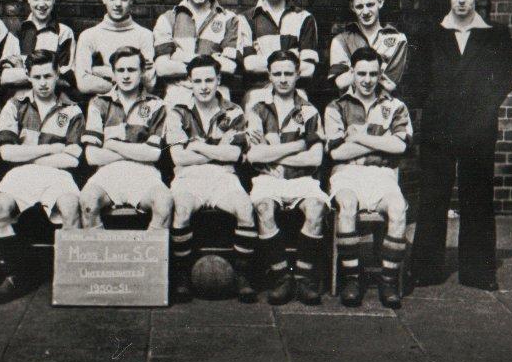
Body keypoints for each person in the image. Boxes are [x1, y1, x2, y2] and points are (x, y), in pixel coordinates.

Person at [411, 0, 512, 291]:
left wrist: (478, 115)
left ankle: (479, 271)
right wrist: (437, 107)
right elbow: (417, 81)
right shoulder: (431, 33)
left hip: (478, 130)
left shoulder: (495, 34)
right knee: (432, 197)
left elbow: (503, 82)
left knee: (478, 198)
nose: (461, 1)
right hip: (438, 130)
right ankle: (426, 269)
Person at [0, 50, 85, 304]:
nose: (43, 82)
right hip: (20, 174)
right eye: (37, 76)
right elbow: (7, 152)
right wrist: (52, 148)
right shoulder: (15, 105)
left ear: (57, 76)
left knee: (71, 207)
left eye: (48, 76)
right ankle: (15, 275)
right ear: (29, 77)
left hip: (58, 174)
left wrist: (28, 154)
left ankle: (71, 282)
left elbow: (73, 158)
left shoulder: (73, 110)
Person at [324, 47, 413, 309]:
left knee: (397, 208)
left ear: (380, 74)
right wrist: (380, 142)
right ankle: (351, 278)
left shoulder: (395, 106)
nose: (367, 80)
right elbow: (337, 152)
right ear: (351, 73)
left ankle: (388, 281)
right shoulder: (336, 107)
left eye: (373, 74)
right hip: (346, 173)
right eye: (361, 73)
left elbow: (400, 146)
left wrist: (359, 137)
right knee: (348, 205)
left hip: (383, 174)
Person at [165, 55, 258, 303]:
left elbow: (234, 155)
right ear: (189, 83)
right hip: (188, 177)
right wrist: (216, 150)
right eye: (198, 81)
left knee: (245, 208)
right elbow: (178, 159)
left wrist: (196, 145)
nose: (204, 86)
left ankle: (242, 275)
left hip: (223, 176)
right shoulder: (178, 112)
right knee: (181, 210)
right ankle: (183, 277)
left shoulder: (233, 111)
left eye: (209, 80)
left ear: (218, 80)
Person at [246, 50, 329, 305]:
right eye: (278, 73)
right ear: (269, 75)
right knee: (263, 208)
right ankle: (281, 276)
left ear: (297, 75)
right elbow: (254, 157)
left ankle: (304, 277)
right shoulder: (257, 109)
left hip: (301, 179)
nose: (283, 79)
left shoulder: (309, 111)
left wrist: (273, 152)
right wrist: (298, 145)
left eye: (288, 74)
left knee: (316, 208)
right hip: (267, 179)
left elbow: (315, 159)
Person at [80, 46, 173, 230]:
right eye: (120, 70)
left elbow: (153, 154)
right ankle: (98, 257)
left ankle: (150, 256)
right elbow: (92, 156)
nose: (126, 75)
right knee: (87, 202)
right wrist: (136, 150)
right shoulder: (99, 103)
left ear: (142, 72)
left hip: (144, 172)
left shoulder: (156, 105)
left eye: (131, 70)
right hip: (108, 172)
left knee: (164, 202)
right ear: (113, 74)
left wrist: (112, 144)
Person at [238, 0, 319, 113]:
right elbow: (249, 64)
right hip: (258, 93)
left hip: (295, 92)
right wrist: (291, 59)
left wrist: (263, 60)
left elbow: (309, 68)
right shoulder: (246, 19)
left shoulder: (304, 18)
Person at [154, 0, 240, 106]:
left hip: (217, 96)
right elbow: (161, 68)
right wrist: (211, 60)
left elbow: (230, 67)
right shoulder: (168, 19)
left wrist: (179, 57)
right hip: (178, 96)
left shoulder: (229, 19)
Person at [74, 0, 155, 96]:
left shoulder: (144, 35)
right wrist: (130, 77)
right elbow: (83, 84)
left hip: (137, 106)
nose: (118, 4)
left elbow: (149, 83)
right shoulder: (88, 36)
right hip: (102, 108)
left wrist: (98, 71)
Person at [328, 0, 408, 94]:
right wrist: (378, 71)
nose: (365, 12)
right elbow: (340, 82)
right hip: (350, 109)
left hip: (384, 108)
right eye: (359, 7)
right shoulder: (340, 41)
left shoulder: (398, 40)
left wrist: (354, 71)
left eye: (370, 5)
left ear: (380, 2)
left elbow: (390, 85)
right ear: (352, 7)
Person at [13, 0, 78, 99]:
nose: (41, 4)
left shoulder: (64, 33)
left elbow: (65, 78)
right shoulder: (18, 31)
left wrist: (24, 72)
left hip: (54, 99)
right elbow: (7, 77)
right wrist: (48, 72)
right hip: (22, 99)